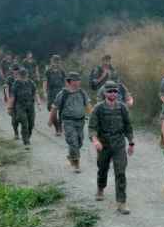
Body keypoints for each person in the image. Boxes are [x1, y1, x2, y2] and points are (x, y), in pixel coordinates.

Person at [88, 81, 135, 214]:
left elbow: (128, 127)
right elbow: (92, 128)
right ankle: (100, 187)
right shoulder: (98, 108)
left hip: (119, 143)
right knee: (102, 168)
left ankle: (121, 202)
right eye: (110, 91)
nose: (113, 93)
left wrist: (131, 143)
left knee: (120, 172)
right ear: (104, 93)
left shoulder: (122, 108)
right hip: (104, 144)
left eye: (115, 91)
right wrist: (96, 140)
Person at [50, 72, 90, 173]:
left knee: (79, 142)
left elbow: (88, 105)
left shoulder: (82, 92)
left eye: (78, 80)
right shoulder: (62, 94)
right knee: (73, 141)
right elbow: (54, 108)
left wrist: (94, 117)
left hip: (80, 121)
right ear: (69, 82)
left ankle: (71, 156)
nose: (77, 82)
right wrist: (51, 119)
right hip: (68, 121)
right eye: (74, 80)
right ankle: (77, 164)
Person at [7, 66, 40, 146]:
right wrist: (10, 107)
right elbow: (13, 96)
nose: (23, 76)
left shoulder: (30, 82)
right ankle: (26, 140)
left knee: (31, 124)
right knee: (24, 122)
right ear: (19, 75)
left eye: (25, 75)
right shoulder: (16, 83)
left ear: (27, 75)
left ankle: (27, 136)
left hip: (30, 105)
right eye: (22, 75)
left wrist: (38, 103)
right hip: (20, 106)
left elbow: (35, 93)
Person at [44, 54, 67, 136]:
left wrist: (67, 91)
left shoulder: (62, 71)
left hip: (60, 92)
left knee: (61, 111)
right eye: (54, 61)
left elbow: (66, 82)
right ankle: (57, 127)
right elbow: (45, 81)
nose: (56, 63)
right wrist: (44, 92)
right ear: (51, 61)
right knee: (51, 110)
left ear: (59, 62)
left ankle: (59, 128)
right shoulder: (48, 71)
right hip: (51, 92)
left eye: (57, 61)